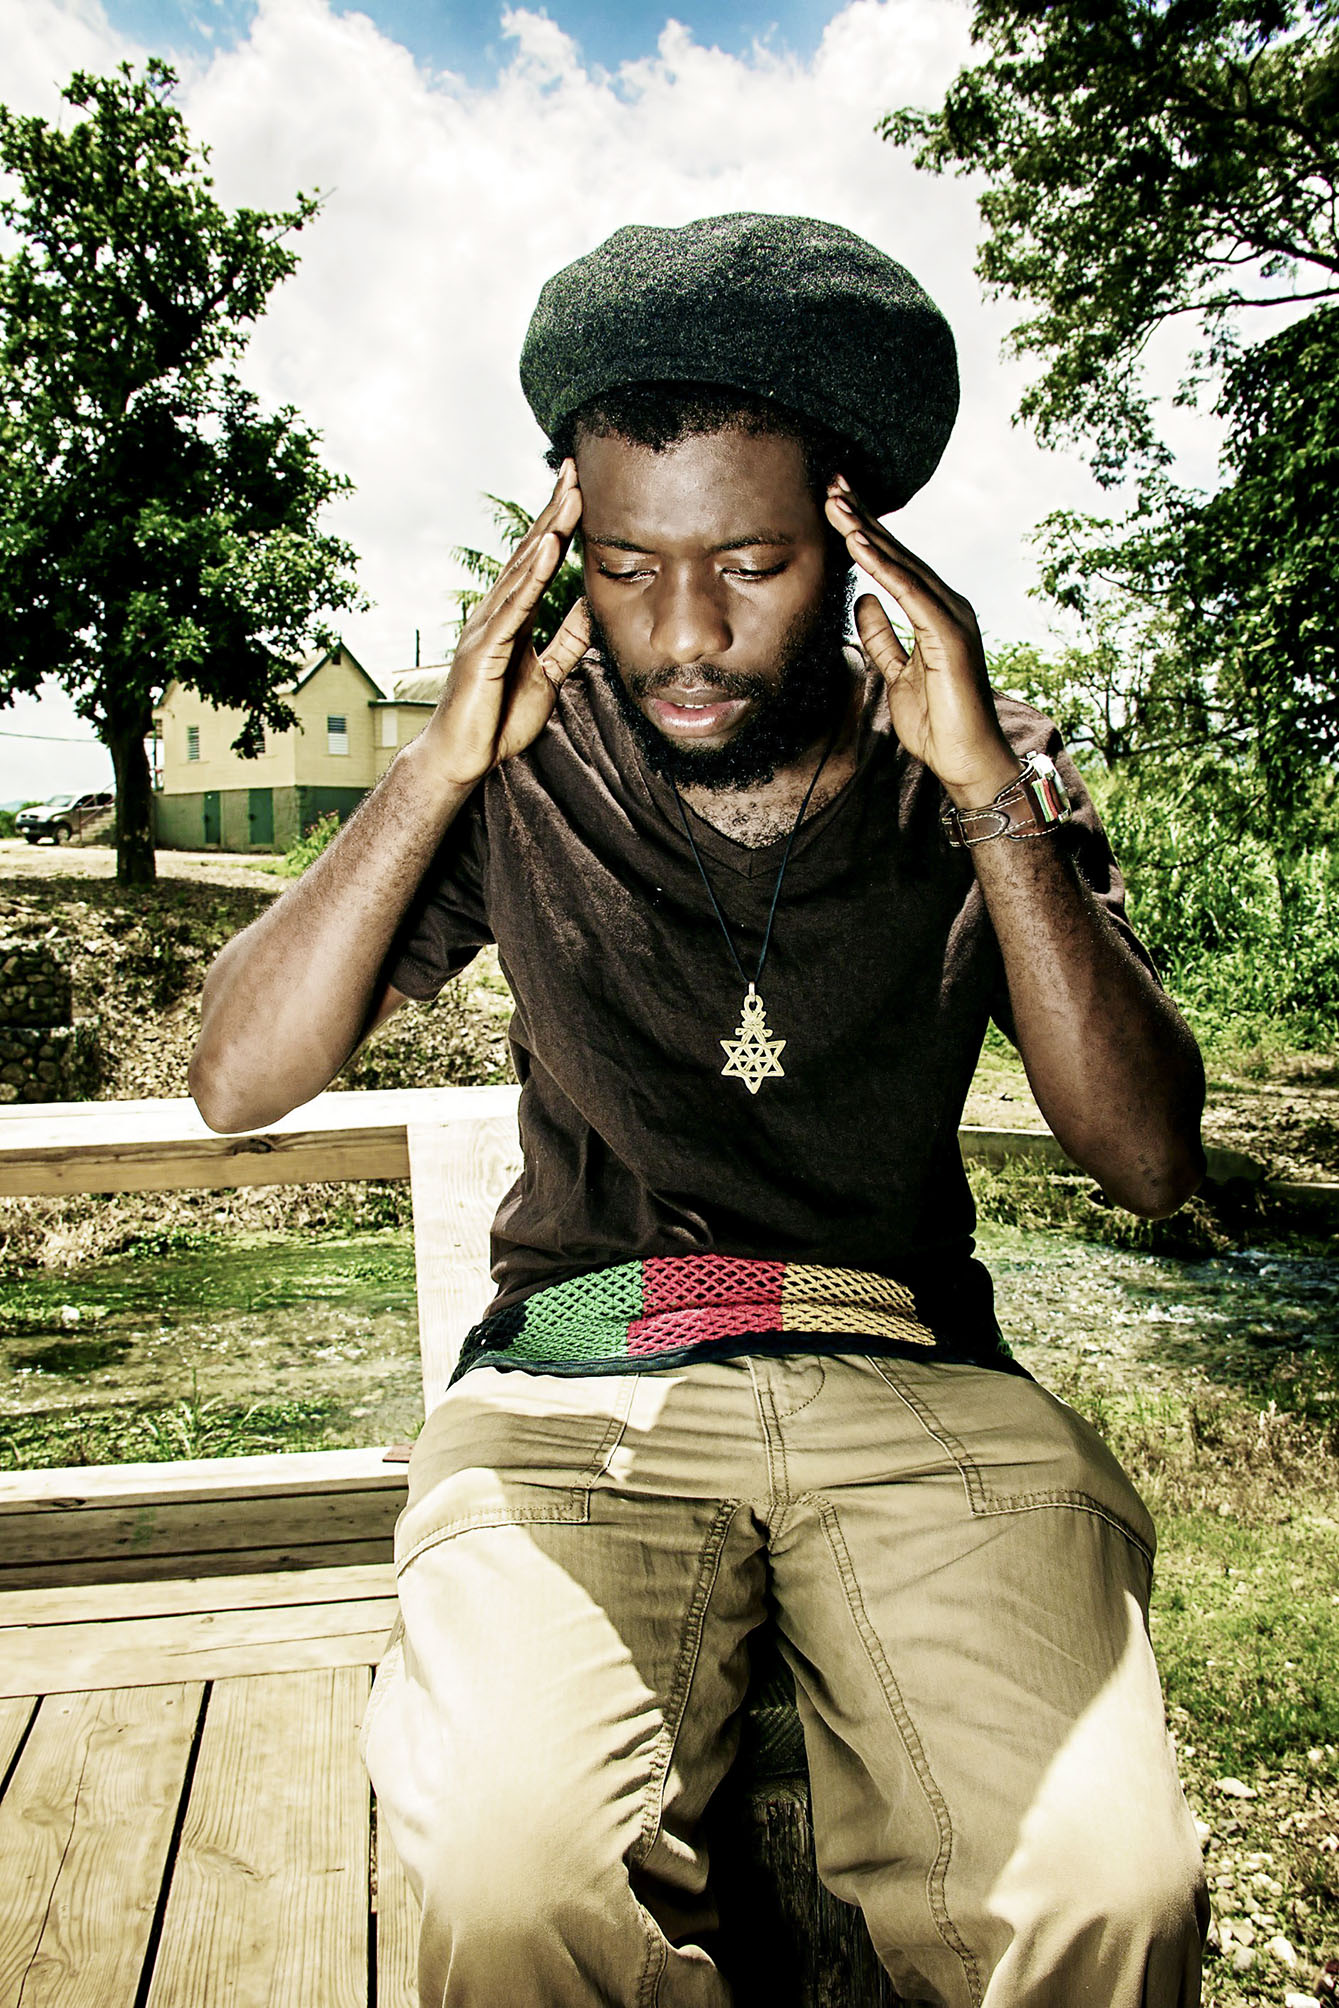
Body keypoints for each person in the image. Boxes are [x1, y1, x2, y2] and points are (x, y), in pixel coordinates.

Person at [189, 213, 1211, 2007]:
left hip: (912, 1373)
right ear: (563, 550)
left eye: (749, 564)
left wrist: (993, 794)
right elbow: (234, 1080)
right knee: (510, 1886)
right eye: (624, 566)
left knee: (1106, 1899)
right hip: (577, 1376)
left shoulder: (973, 765)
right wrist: (432, 768)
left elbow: (1146, 1160)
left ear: (856, 540)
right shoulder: (522, 760)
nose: (683, 634)